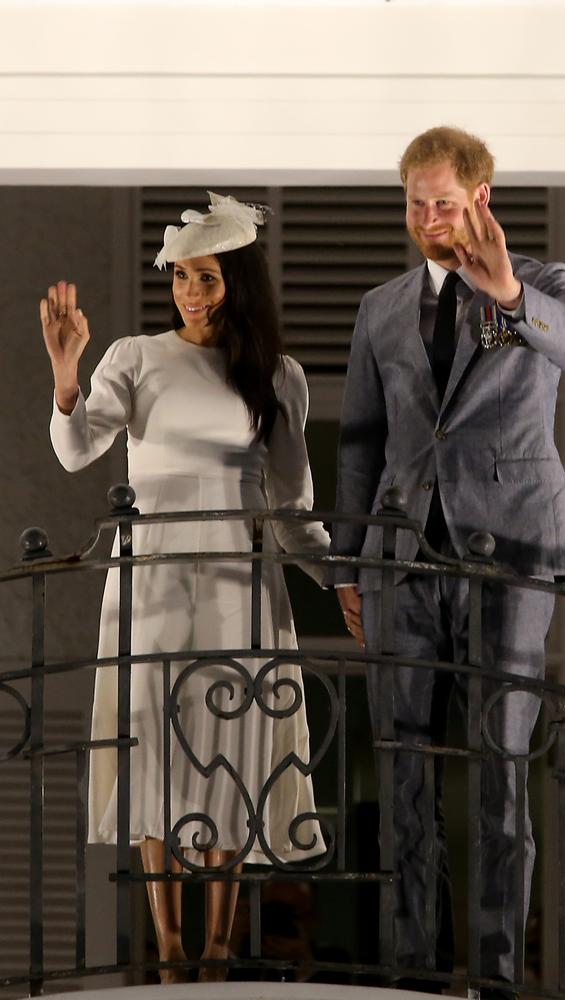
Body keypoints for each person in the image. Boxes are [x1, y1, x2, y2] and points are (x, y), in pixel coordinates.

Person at [330, 127, 565, 997]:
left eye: (442, 202)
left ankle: (493, 977)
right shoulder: (380, 306)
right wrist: (345, 566)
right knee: (402, 765)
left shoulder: (546, 284)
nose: (426, 218)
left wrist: (510, 293)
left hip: (513, 553)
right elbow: (362, 443)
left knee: (499, 770)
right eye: (414, 203)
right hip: (401, 556)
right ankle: (408, 970)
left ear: (482, 197)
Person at [40, 193, 330, 983]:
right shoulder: (134, 356)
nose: (190, 292)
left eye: (206, 277)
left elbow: (294, 507)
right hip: (153, 576)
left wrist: (338, 584)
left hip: (240, 577)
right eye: (180, 277)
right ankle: (168, 944)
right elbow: (77, 450)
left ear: (238, 280)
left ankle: (218, 943)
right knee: (153, 738)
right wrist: (68, 375)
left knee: (231, 743)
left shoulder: (279, 376)